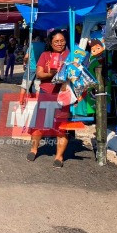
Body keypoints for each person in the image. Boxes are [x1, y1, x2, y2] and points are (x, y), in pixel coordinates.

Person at [27, 30, 70, 168]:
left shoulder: (70, 55)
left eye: (62, 40)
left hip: (63, 95)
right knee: (39, 125)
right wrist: (51, 73)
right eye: (56, 41)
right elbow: (39, 74)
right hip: (46, 93)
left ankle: (59, 156)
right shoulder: (45, 55)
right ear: (50, 43)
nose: (59, 43)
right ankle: (34, 149)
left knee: (61, 127)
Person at [19, 34, 46, 104]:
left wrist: (24, 63)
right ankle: (37, 101)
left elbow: (26, 57)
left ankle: (21, 101)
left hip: (30, 68)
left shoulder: (32, 45)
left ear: (35, 39)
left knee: (24, 85)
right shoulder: (44, 45)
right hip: (40, 68)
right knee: (38, 86)